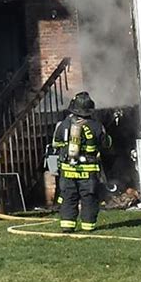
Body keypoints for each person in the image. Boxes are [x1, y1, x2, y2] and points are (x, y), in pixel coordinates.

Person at [52, 91, 112, 233]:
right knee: (89, 198)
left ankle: (67, 226)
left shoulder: (64, 124)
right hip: (88, 171)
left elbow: (56, 143)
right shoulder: (96, 126)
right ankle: (88, 226)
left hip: (67, 171)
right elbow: (107, 144)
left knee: (68, 197)